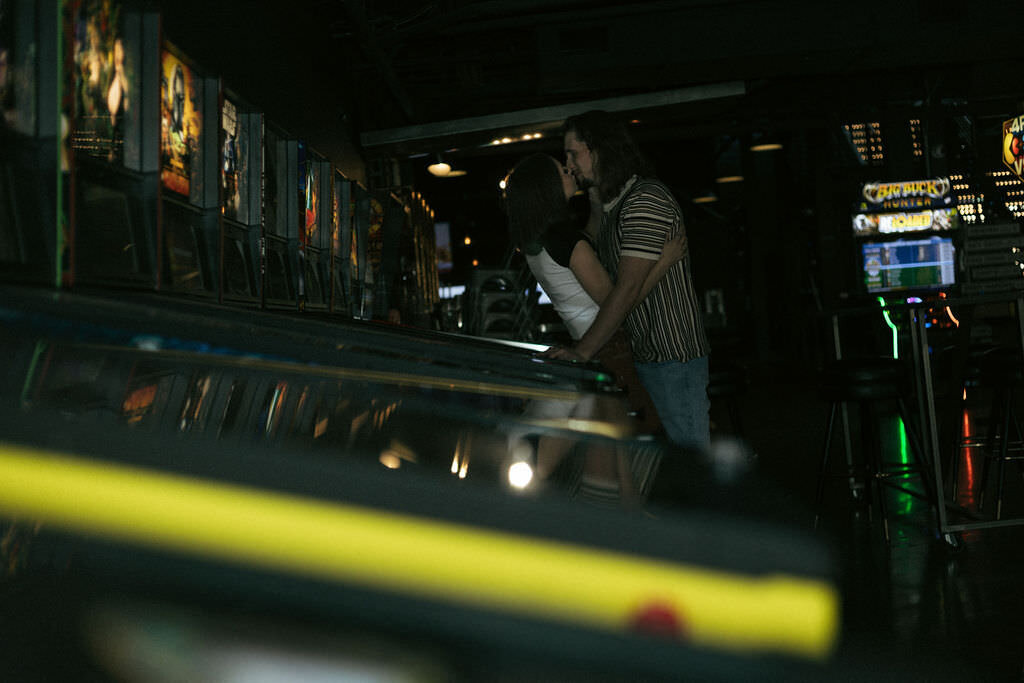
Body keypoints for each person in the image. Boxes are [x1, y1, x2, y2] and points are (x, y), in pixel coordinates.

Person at [551, 110, 711, 451]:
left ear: (599, 149)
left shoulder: (644, 199)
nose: (568, 164)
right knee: (677, 469)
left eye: (572, 153)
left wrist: (582, 352)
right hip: (652, 355)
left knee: (693, 469)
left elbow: (626, 290)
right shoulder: (619, 204)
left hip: (672, 355)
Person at [501, 152, 685, 433]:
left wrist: (596, 207)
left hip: (589, 342)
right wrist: (664, 262)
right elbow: (618, 303)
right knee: (650, 434)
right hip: (613, 346)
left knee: (622, 446)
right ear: (548, 186)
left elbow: (580, 255)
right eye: (563, 170)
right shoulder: (567, 240)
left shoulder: (539, 240)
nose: (570, 170)